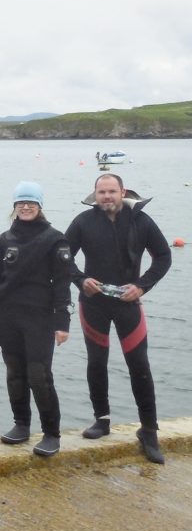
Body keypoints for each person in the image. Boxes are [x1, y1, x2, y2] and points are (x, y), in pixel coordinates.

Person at [65, 173, 172, 463]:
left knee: (139, 364)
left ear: (122, 192)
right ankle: (102, 420)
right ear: (95, 194)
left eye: (112, 191)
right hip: (94, 303)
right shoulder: (82, 222)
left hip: (128, 303)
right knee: (96, 362)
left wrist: (142, 285)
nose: (107, 196)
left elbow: (163, 256)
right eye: (102, 192)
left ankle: (149, 430)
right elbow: (63, 255)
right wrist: (80, 279)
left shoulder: (142, 221)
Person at [0, 182, 72, 457]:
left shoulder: (55, 239)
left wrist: (62, 322)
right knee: (15, 374)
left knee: (39, 376)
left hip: (39, 318)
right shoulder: (5, 240)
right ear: (14, 207)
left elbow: (63, 283)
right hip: (7, 316)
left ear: (40, 206)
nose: (26, 207)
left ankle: (52, 433)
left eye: (31, 203)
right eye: (21, 203)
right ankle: (21, 424)